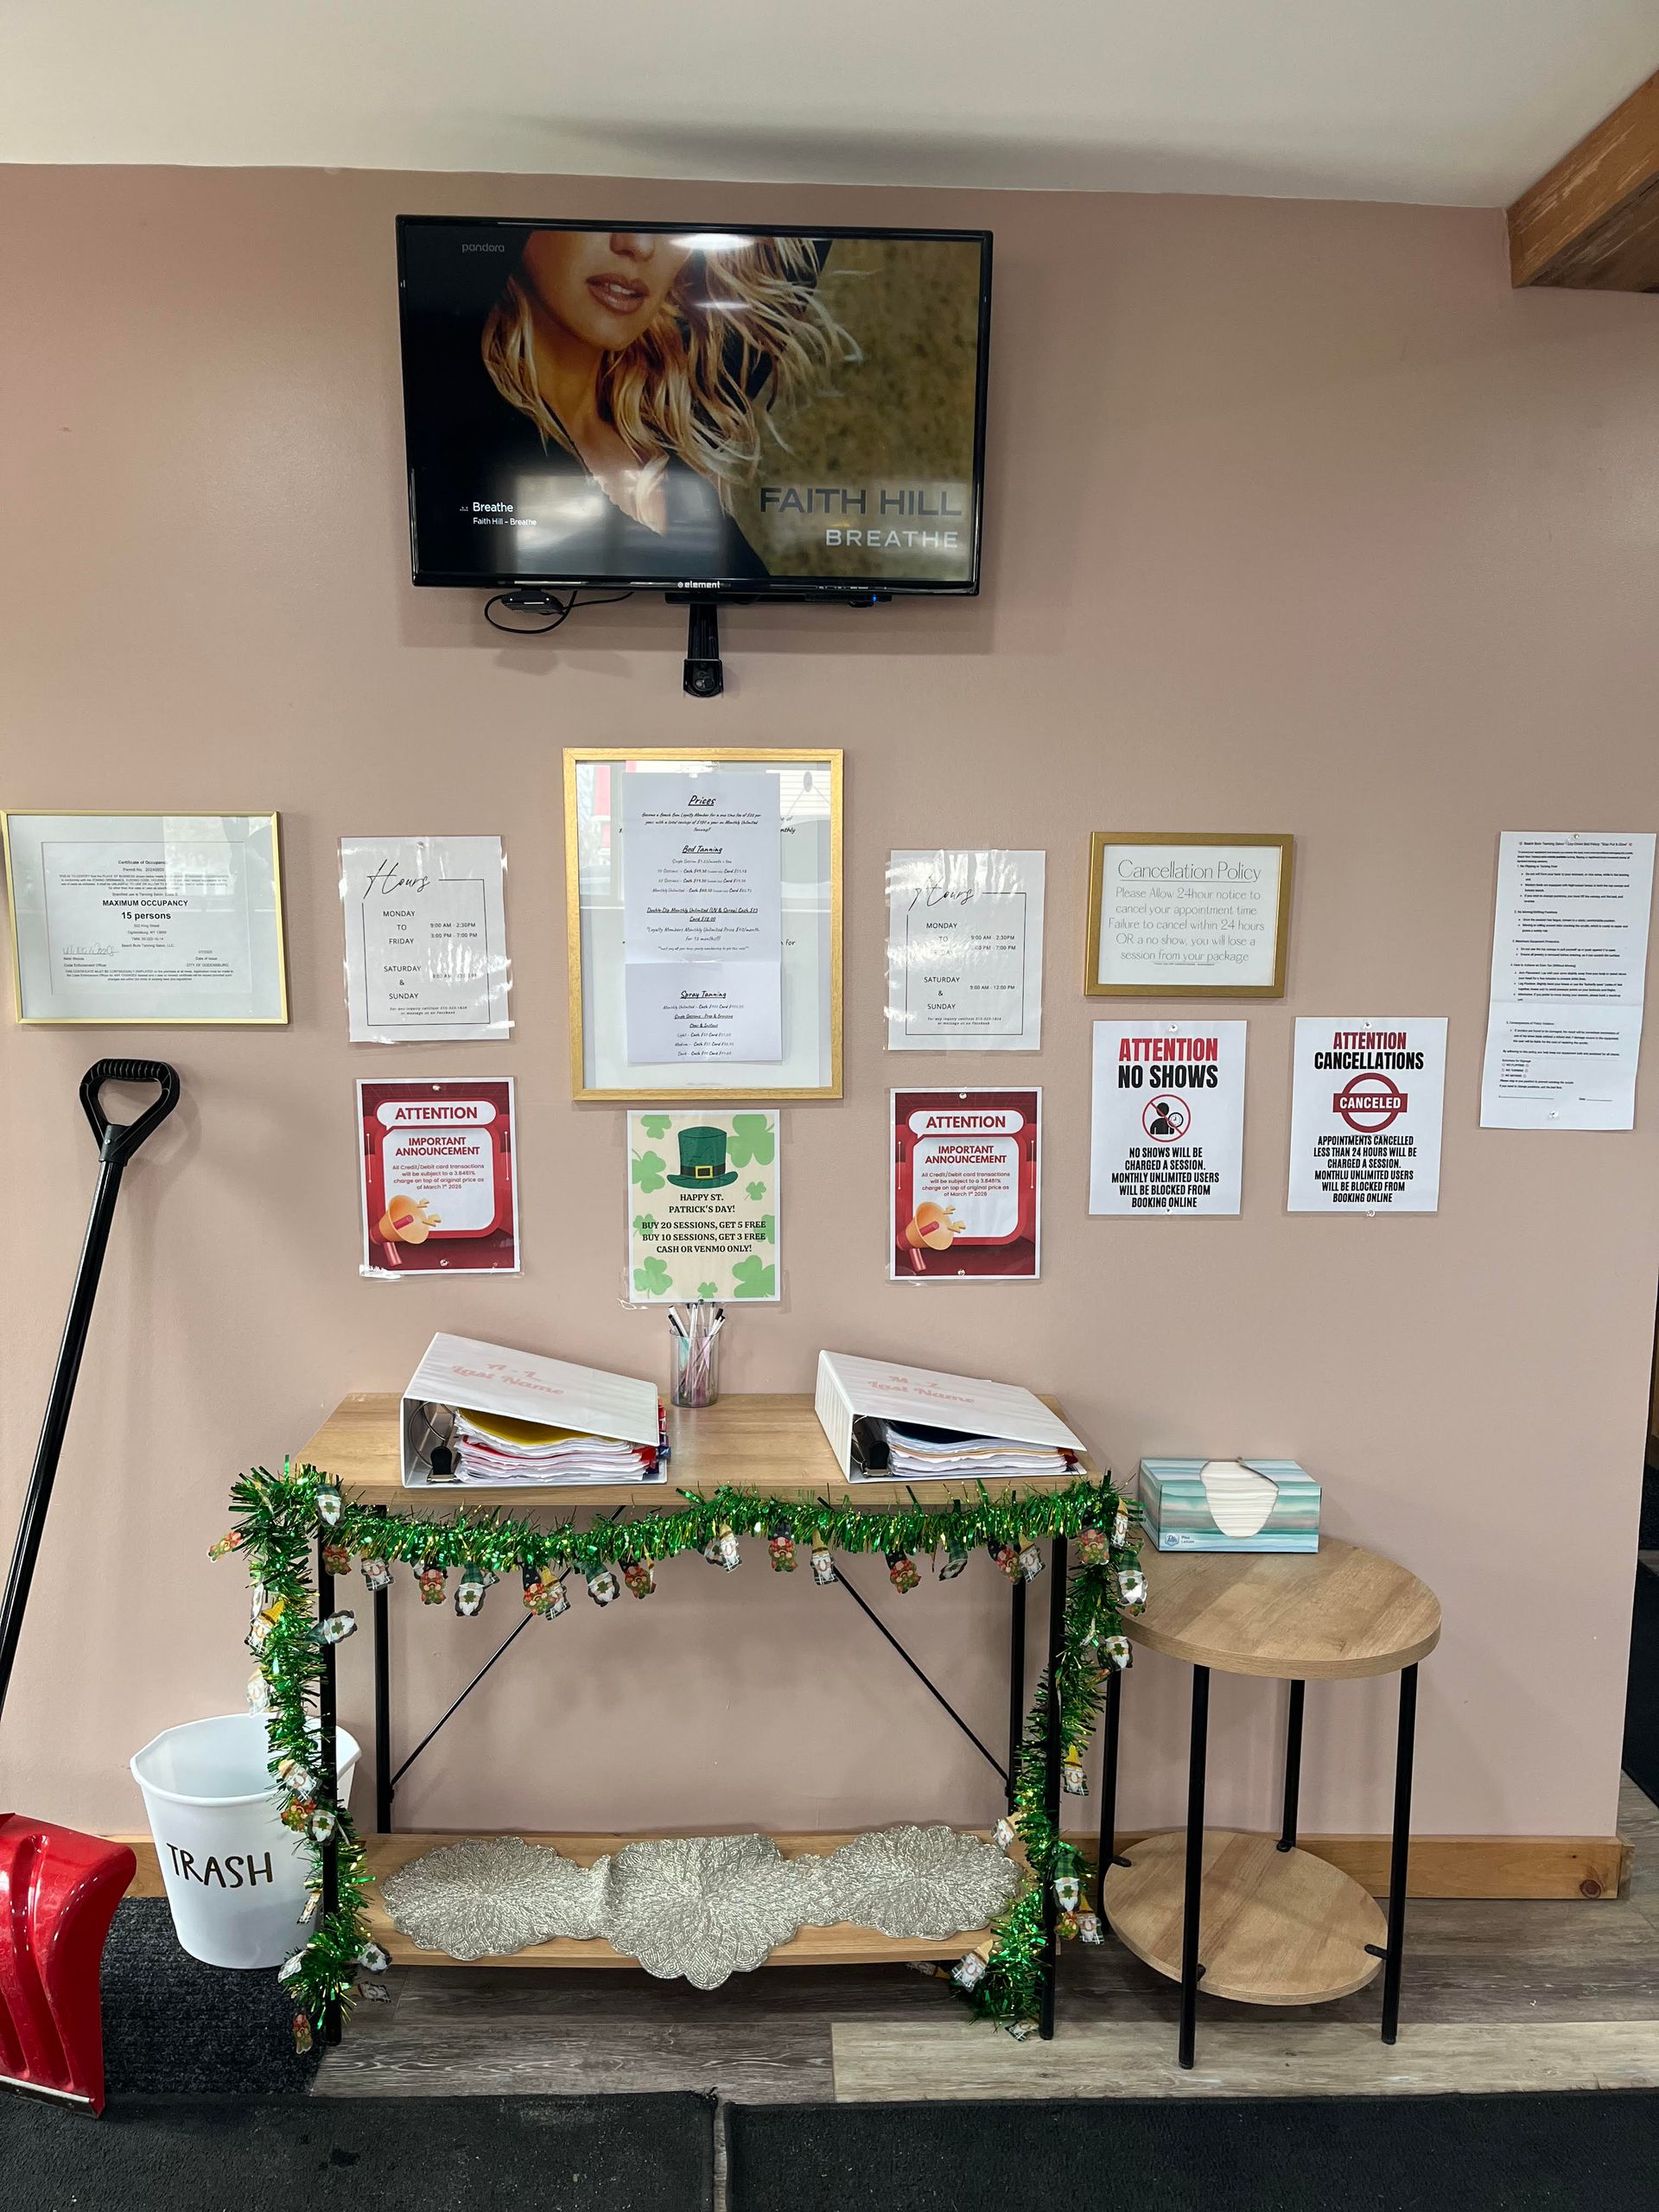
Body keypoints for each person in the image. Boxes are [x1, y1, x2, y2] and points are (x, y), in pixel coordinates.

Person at [406, 227, 854, 584]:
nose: (638, 246)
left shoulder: (679, 418)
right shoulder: (452, 408)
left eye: (672, 225)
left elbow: (814, 226)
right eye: (595, 215)